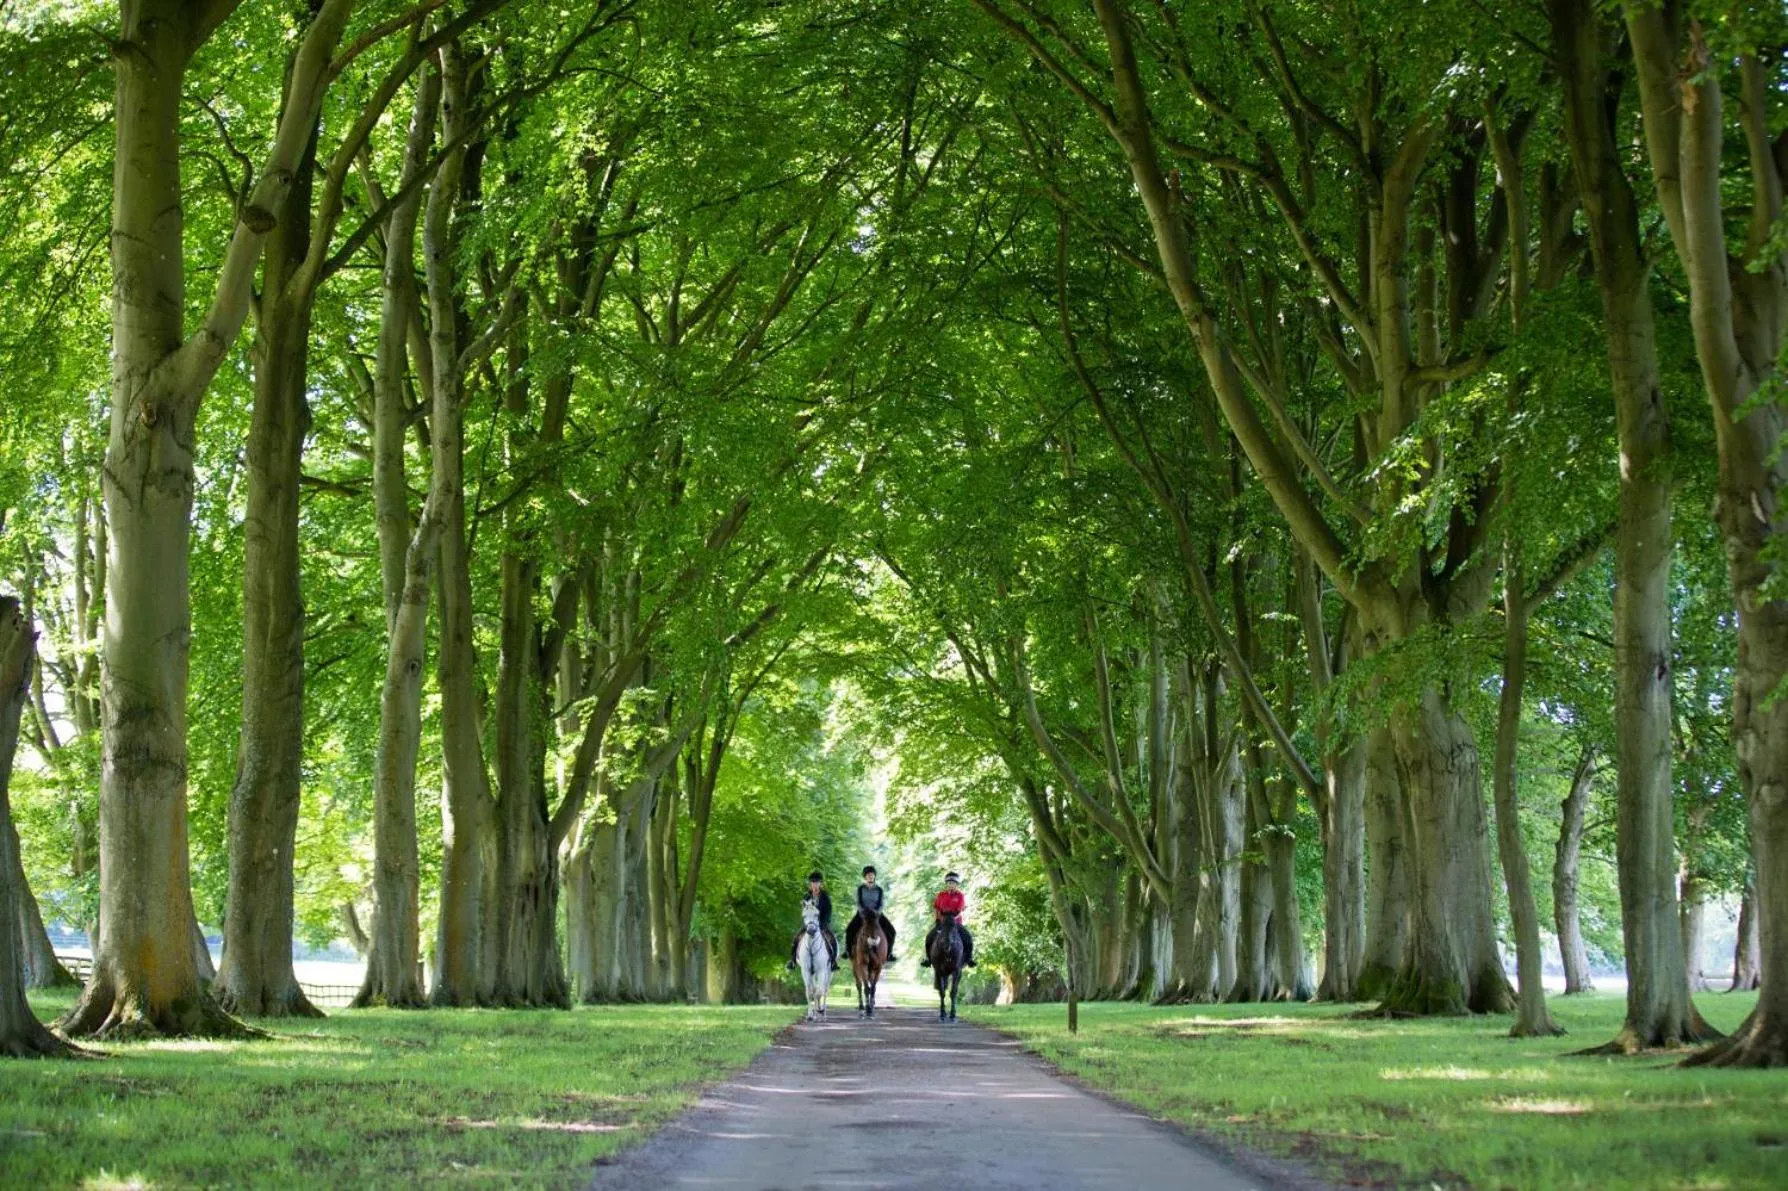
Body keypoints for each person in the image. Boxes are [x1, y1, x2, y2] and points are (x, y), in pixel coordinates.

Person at [919, 871, 975, 968]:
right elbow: (936, 908)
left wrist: (951, 920)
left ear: (956, 884)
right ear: (946, 884)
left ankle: (969, 958)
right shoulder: (941, 895)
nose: (950, 885)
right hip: (942, 922)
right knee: (929, 936)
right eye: (949, 883)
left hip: (955, 923)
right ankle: (928, 958)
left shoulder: (960, 896)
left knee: (968, 937)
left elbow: (960, 911)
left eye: (953, 883)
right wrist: (937, 919)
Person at [843, 865, 898, 962]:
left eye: (872, 874)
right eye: (868, 875)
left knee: (892, 931)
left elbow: (881, 904)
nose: (870, 876)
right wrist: (863, 912)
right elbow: (859, 903)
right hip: (862, 914)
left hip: (876, 915)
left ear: (874, 876)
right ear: (865, 877)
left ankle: (889, 954)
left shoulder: (879, 890)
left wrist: (876, 912)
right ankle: (847, 951)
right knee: (849, 929)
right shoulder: (860, 889)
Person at [788, 870, 838, 970]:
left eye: (817, 883)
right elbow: (804, 910)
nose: (815, 885)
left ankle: (833, 962)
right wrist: (806, 921)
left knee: (832, 938)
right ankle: (793, 961)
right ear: (811, 884)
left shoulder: (825, 897)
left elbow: (828, 911)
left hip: (822, 923)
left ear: (820, 884)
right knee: (796, 938)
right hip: (809, 923)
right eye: (813, 883)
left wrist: (824, 922)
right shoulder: (806, 896)